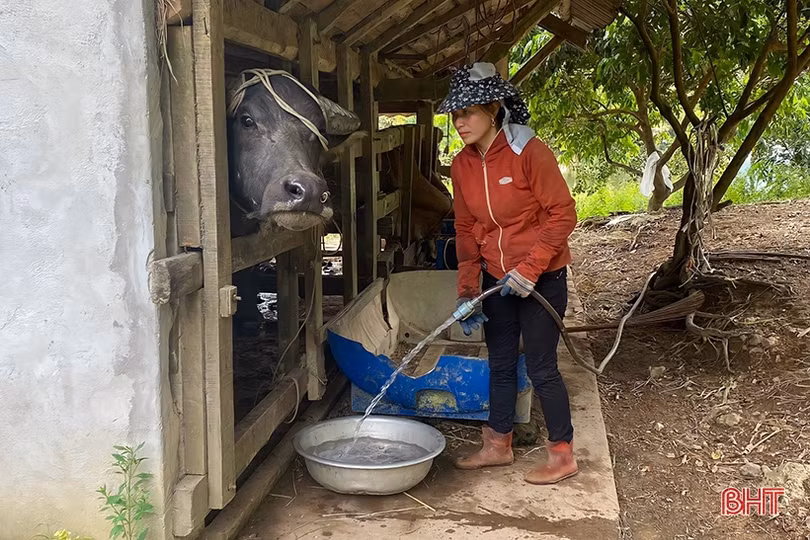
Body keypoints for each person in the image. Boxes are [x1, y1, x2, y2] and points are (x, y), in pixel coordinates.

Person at [436, 62, 578, 485]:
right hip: (496, 280)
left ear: (494, 108)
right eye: (455, 114)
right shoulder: (461, 165)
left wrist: (531, 269)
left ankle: (562, 455)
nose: (460, 122)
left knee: (541, 366)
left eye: (468, 112)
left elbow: (563, 213)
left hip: (542, 280)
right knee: (499, 362)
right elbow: (465, 228)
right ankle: (497, 444)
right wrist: (467, 289)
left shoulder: (530, 152)